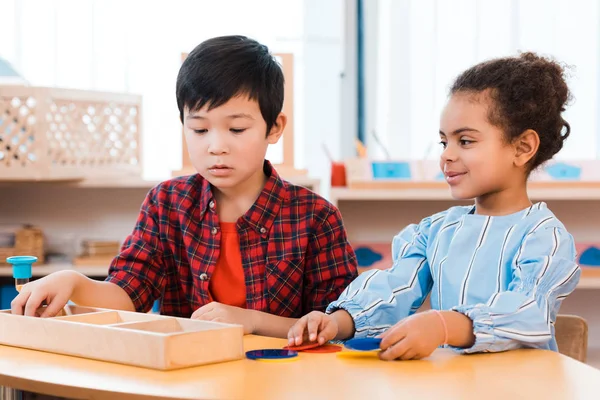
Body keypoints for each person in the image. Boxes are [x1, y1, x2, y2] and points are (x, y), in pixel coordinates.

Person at [11, 35, 358, 339]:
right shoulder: (167, 204)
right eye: (199, 129)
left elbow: (334, 324)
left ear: (274, 127)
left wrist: (250, 321)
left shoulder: (315, 216)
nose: (216, 146)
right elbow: (130, 292)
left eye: (236, 129)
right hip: (186, 379)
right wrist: (72, 282)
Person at [288, 52, 581, 360]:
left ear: (522, 148)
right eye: (444, 142)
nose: (447, 155)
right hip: (452, 386)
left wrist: (444, 325)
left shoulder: (544, 237)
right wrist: (335, 323)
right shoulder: (435, 231)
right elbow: (393, 289)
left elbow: (528, 311)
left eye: (465, 141)